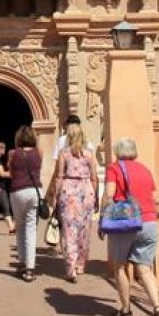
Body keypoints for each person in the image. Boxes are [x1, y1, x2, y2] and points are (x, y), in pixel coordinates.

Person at [101, 137, 159, 316]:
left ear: (117, 152)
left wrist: (104, 216)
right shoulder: (145, 170)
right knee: (145, 269)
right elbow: (156, 197)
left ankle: (126, 309)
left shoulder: (114, 168)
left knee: (121, 266)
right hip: (149, 222)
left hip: (126, 224)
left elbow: (109, 194)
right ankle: (157, 307)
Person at [47, 121, 98, 282]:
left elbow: (59, 175)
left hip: (68, 190)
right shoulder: (89, 153)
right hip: (86, 189)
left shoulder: (64, 153)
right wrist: (95, 196)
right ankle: (80, 265)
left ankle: (71, 268)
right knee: (84, 229)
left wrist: (55, 196)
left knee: (69, 230)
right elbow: (94, 177)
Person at [7, 125, 44, 282]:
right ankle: (30, 268)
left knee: (20, 227)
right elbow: (38, 168)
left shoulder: (13, 153)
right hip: (34, 191)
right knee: (31, 229)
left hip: (17, 191)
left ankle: (22, 263)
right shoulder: (39, 152)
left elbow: (11, 172)